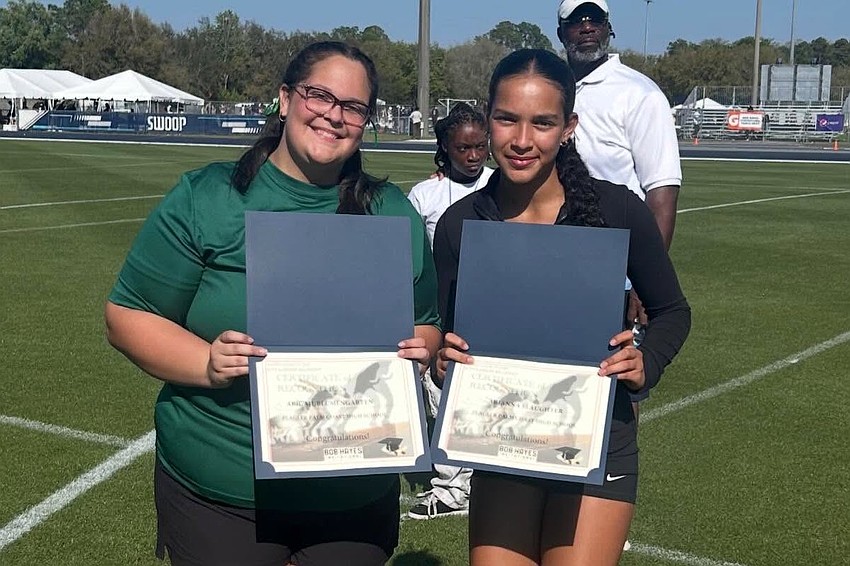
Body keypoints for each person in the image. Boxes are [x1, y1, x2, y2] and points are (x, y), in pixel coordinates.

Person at [104, 41, 441, 566]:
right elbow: (128, 316)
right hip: (225, 484)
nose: (334, 115)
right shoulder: (207, 197)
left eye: (353, 107)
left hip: (354, 483)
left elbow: (426, 324)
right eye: (319, 95)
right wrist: (207, 363)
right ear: (285, 100)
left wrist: (417, 349)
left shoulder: (392, 212)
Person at [432, 49, 691, 565]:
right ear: (488, 119)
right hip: (500, 441)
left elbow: (673, 311)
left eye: (543, 123)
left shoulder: (617, 209)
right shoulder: (460, 224)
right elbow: (448, 333)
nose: (522, 140)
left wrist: (646, 361)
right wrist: (444, 359)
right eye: (507, 119)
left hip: (595, 440)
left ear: (568, 127)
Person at [556, 0, 682, 351]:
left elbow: (662, 192)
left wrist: (644, 282)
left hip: (616, 273)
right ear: (560, 32)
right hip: (553, 261)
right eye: (576, 20)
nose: (587, 26)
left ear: (609, 28)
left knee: (617, 372)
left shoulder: (639, 94)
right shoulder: (552, 87)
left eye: (595, 19)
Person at [406, 102, 493, 520]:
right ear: (445, 147)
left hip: (491, 310)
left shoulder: (500, 184)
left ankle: (481, 478)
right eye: (463, 148)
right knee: (439, 395)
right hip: (441, 312)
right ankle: (454, 486)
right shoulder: (425, 195)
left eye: (480, 146)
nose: (473, 156)